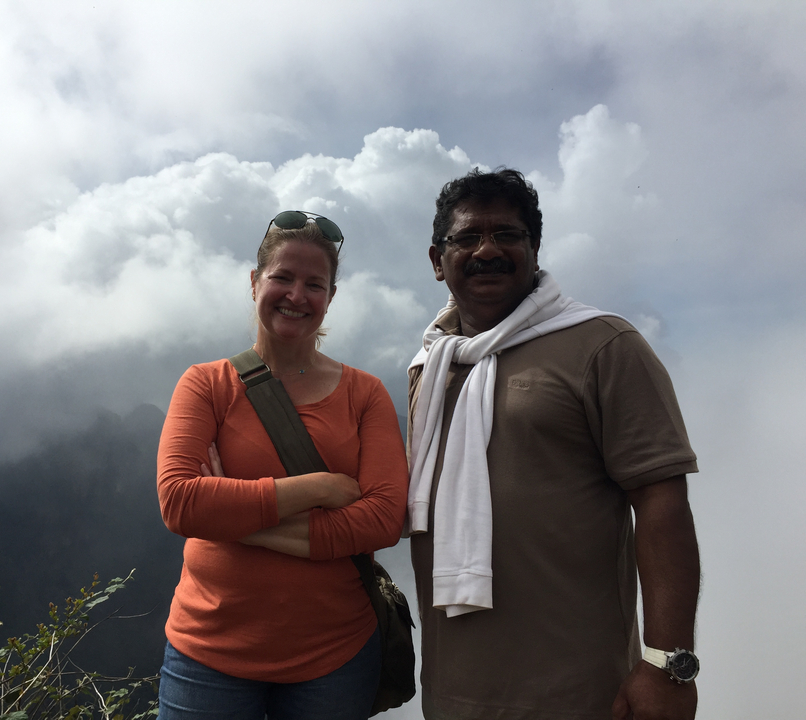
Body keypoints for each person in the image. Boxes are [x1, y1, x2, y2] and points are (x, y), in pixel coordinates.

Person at [407, 168, 701, 720]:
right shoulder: (431, 365)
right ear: (436, 259)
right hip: (451, 695)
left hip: (581, 693)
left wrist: (669, 665)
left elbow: (663, 505)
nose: (487, 249)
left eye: (507, 235)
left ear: (534, 249)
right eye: (467, 238)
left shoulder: (605, 346)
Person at [156, 211, 409, 720]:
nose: (297, 295)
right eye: (282, 278)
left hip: (335, 655)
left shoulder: (365, 394)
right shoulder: (205, 384)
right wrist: (319, 486)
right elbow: (180, 503)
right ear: (255, 283)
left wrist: (234, 518)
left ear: (331, 297)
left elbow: (384, 519)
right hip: (208, 651)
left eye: (315, 284)